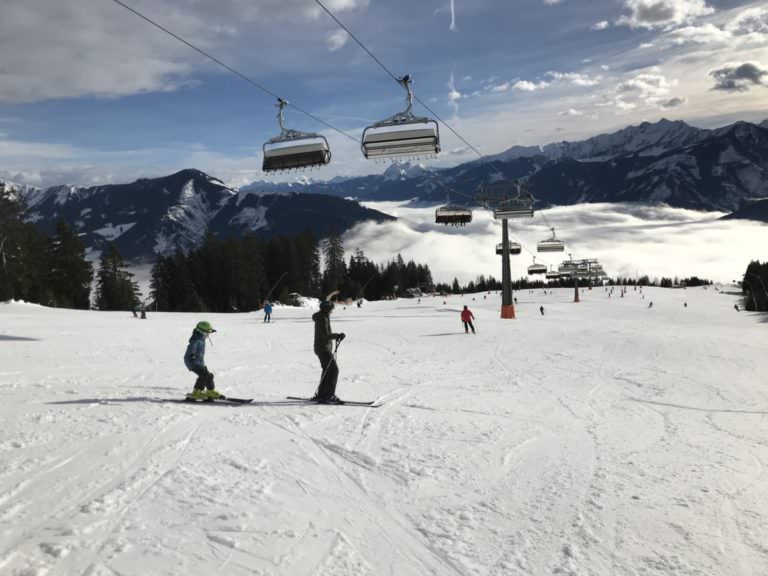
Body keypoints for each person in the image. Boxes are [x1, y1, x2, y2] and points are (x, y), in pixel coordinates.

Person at [312, 300, 345, 403]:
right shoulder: (322, 319)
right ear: (327, 309)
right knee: (334, 370)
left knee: (327, 370)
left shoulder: (322, 316)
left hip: (321, 347)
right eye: (331, 309)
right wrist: (337, 336)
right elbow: (325, 334)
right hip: (323, 348)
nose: (332, 311)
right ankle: (329, 395)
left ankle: (322, 394)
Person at [184, 321, 220, 400]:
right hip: (192, 362)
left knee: (209, 376)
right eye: (207, 332)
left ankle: (210, 391)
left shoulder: (201, 338)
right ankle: (197, 392)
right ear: (201, 331)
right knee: (203, 375)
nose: (208, 334)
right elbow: (191, 348)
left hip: (199, 362)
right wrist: (192, 355)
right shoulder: (196, 339)